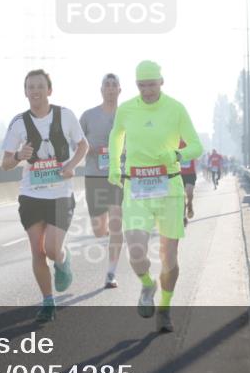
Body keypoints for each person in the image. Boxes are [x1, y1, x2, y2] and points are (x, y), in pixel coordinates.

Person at [108, 61, 202, 333]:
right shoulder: (126, 109)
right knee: (136, 252)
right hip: (136, 188)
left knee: (169, 258)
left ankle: (165, 308)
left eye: (151, 84)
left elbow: (197, 145)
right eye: (142, 85)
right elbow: (116, 137)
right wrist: (115, 166)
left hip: (169, 188)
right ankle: (148, 285)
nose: (147, 90)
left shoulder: (176, 108)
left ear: (161, 81)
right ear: (136, 85)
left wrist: (177, 154)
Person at [1, 69, 88, 322]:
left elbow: (83, 145)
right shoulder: (18, 123)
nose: (35, 91)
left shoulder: (65, 116)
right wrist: (19, 156)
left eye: (40, 86)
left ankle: (62, 259)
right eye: (30, 87)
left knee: (51, 249)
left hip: (60, 194)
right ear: (25, 92)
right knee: (37, 251)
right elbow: (5, 163)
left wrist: (71, 165)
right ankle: (47, 301)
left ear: (49, 90)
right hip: (31, 195)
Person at [79, 73, 125, 288]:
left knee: (116, 225)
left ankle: (111, 273)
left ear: (119, 90)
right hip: (94, 175)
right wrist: (91, 149)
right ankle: (107, 231)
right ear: (101, 90)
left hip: (118, 175)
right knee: (99, 229)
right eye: (106, 84)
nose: (110, 88)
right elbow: (76, 142)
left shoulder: (128, 115)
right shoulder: (88, 115)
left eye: (114, 84)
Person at [179, 138, 197, 226]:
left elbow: (197, 150)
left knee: (189, 194)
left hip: (190, 173)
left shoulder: (191, 142)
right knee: (182, 197)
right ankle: (183, 216)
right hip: (178, 174)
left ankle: (190, 204)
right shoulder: (173, 143)